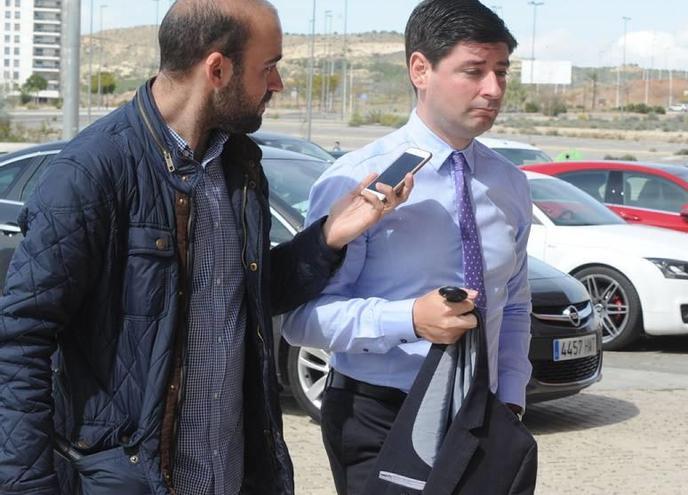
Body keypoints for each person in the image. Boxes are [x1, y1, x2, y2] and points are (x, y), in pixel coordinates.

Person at [0, 1, 409, 494]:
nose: (278, 85)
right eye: (269, 67)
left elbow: (246, 298)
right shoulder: (90, 174)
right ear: (217, 69)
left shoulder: (237, 165)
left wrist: (328, 237)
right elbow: (20, 340)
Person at [283, 1, 531, 493]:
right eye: (474, 71)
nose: (493, 89)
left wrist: (511, 396)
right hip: (380, 416)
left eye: (501, 72)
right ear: (421, 69)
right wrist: (410, 321)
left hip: (483, 413)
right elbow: (301, 321)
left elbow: (515, 301)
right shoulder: (357, 181)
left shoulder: (510, 184)